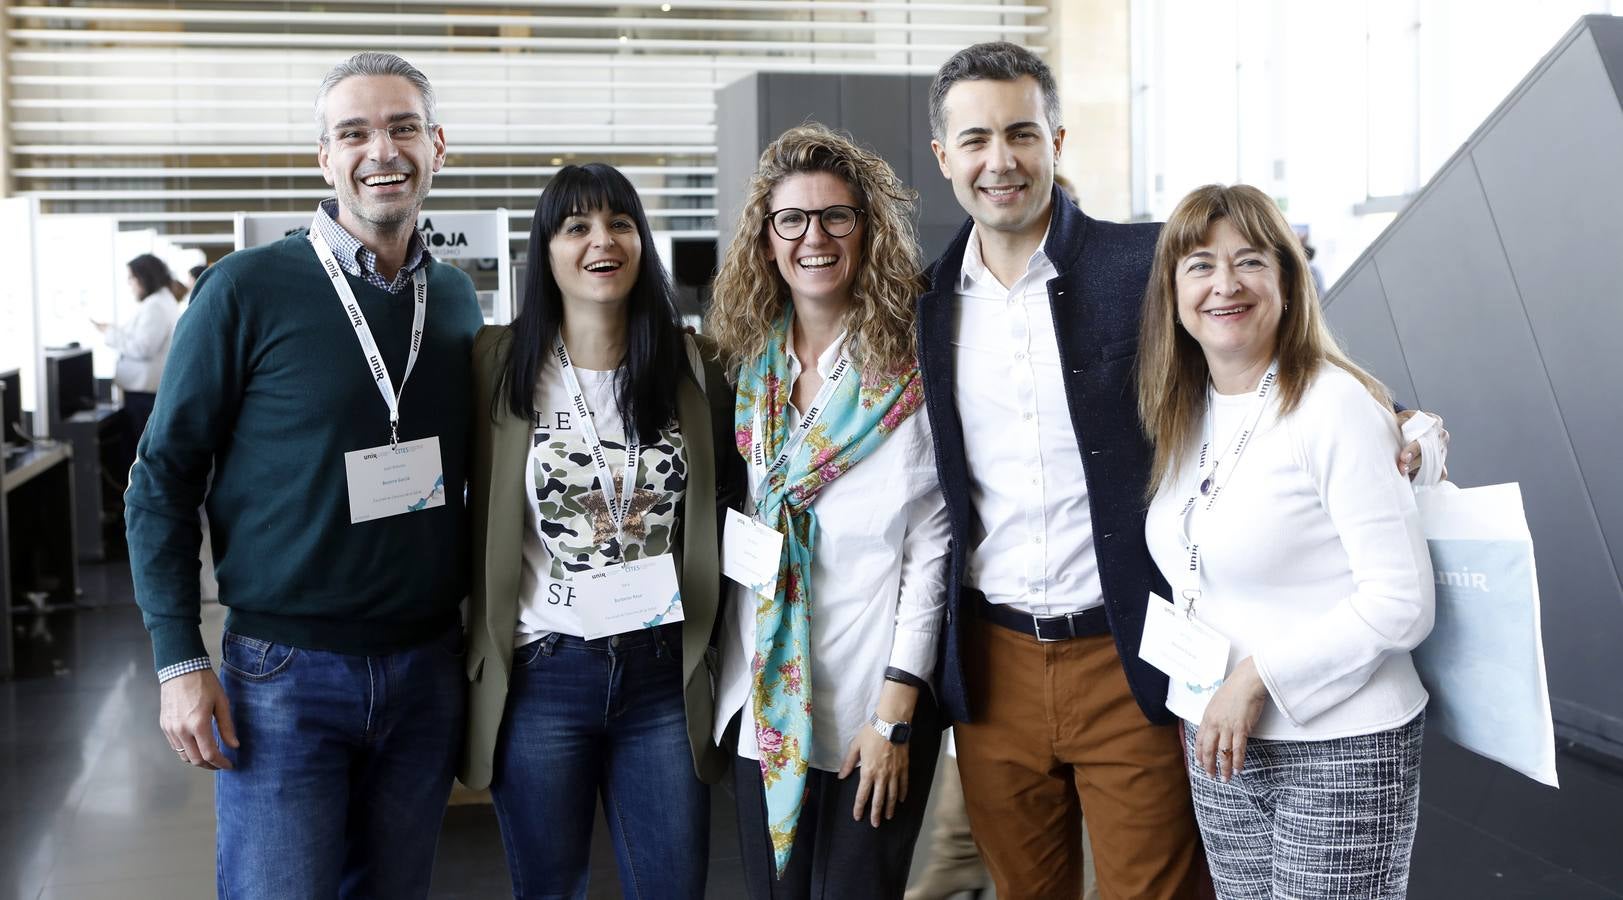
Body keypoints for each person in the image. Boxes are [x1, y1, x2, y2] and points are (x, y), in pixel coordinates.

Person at [913, 42, 1442, 900]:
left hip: (1130, 653)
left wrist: (1408, 424)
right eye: (974, 139)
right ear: (944, 157)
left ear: (1055, 139)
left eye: (1020, 133)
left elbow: (1268, 354)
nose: (999, 160)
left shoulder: (1145, 266)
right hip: (994, 653)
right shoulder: (925, 303)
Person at [124, 52, 481, 898]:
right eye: (352, 133)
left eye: (400, 128)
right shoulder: (243, 289)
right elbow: (162, 478)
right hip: (285, 675)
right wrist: (179, 660)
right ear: (324, 158)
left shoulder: (460, 299)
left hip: (427, 667)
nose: (379, 151)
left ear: (437, 145)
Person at [1138, 184, 1433, 898]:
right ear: (1172, 291)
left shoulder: (1332, 405)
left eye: (1248, 262)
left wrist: (1254, 678)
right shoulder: (1185, 409)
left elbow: (1402, 602)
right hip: (1220, 738)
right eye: (1200, 265)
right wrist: (1225, 695)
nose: (1224, 285)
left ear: (1286, 280)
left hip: (1340, 744)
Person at [458, 162, 739, 899]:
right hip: (544, 671)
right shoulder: (496, 362)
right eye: (575, 226)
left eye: (618, 223)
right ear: (544, 250)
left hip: (661, 675)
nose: (600, 241)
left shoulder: (694, 366)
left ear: (642, 243)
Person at [706, 123, 950, 898]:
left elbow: (930, 555)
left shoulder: (910, 371)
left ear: (866, 229)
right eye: (792, 220)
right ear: (766, 239)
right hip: (763, 701)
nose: (813, 237)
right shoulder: (751, 367)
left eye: (835, 216)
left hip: (863, 710)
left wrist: (893, 717)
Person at [95, 253, 181, 444]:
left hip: (144, 393)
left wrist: (111, 335)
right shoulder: (160, 301)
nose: (130, 284)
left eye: (131, 278)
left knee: (137, 449)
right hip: (146, 391)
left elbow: (144, 347)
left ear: (144, 277)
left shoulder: (156, 306)